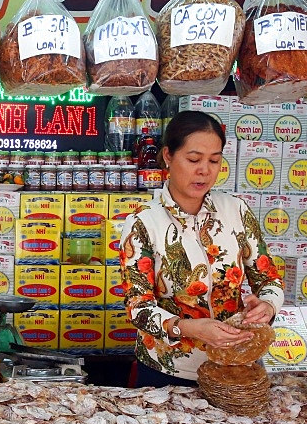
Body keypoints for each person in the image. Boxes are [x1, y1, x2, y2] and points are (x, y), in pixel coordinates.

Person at [118, 110, 284, 386]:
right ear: (168, 156)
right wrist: (187, 327)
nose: (204, 171)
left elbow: (269, 278)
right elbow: (138, 306)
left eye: (214, 160)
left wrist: (267, 304)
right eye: (194, 159)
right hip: (168, 371)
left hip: (234, 364)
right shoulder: (142, 222)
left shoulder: (235, 210)